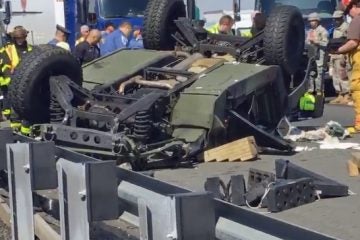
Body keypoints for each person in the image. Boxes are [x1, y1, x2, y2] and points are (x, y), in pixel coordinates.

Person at [0, 26, 32, 132]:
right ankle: (15, 130)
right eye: (18, 38)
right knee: (14, 107)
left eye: (22, 38)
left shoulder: (30, 49)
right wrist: (11, 81)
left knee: (27, 106)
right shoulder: (8, 49)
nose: (20, 40)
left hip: (27, 82)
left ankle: (26, 130)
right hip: (12, 82)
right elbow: (5, 66)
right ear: (14, 38)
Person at [334, 0, 360, 132]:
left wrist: (337, 50)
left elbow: (353, 43)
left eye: (348, 10)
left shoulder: (357, 20)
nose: (348, 15)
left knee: (358, 89)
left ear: (354, 6)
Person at [329, 10, 350, 104]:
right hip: (334, 55)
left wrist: (345, 56)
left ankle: (347, 95)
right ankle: (340, 94)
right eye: (334, 19)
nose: (336, 21)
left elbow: (348, 42)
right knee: (335, 76)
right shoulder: (335, 28)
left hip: (342, 54)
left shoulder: (346, 27)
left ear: (342, 18)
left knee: (343, 75)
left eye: (337, 19)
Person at [306, 12, 329, 93]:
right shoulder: (310, 31)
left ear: (317, 21)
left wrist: (316, 42)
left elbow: (326, 43)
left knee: (320, 73)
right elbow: (307, 42)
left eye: (313, 21)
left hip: (320, 54)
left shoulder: (322, 31)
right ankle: (311, 89)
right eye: (310, 21)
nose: (311, 23)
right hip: (311, 55)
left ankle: (320, 90)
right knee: (310, 72)